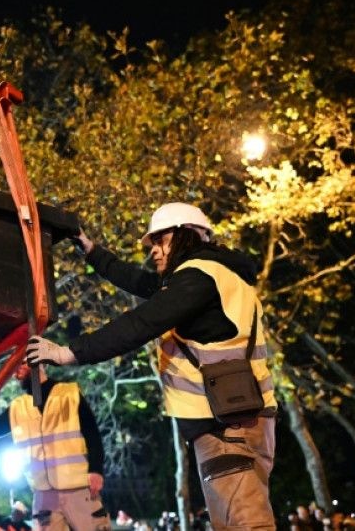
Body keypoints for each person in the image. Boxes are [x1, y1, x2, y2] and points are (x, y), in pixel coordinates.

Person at [25, 202, 278, 531]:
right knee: (233, 520)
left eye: (161, 240)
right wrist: (90, 250)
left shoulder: (198, 278)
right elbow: (141, 283)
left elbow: (140, 324)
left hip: (226, 425)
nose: (154, 250)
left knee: (244, 523)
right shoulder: (214, 275)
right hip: (237, 417)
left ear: (188, 235)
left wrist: (67, 353)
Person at [0, 364, 111, 531]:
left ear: (38, 363)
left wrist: (96, 469)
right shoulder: (18, 407)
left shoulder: (68, 394)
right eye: (13, 369)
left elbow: (91, 432)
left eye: (20, 366)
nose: (15, 374)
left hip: (77, 488)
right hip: (43, 493)